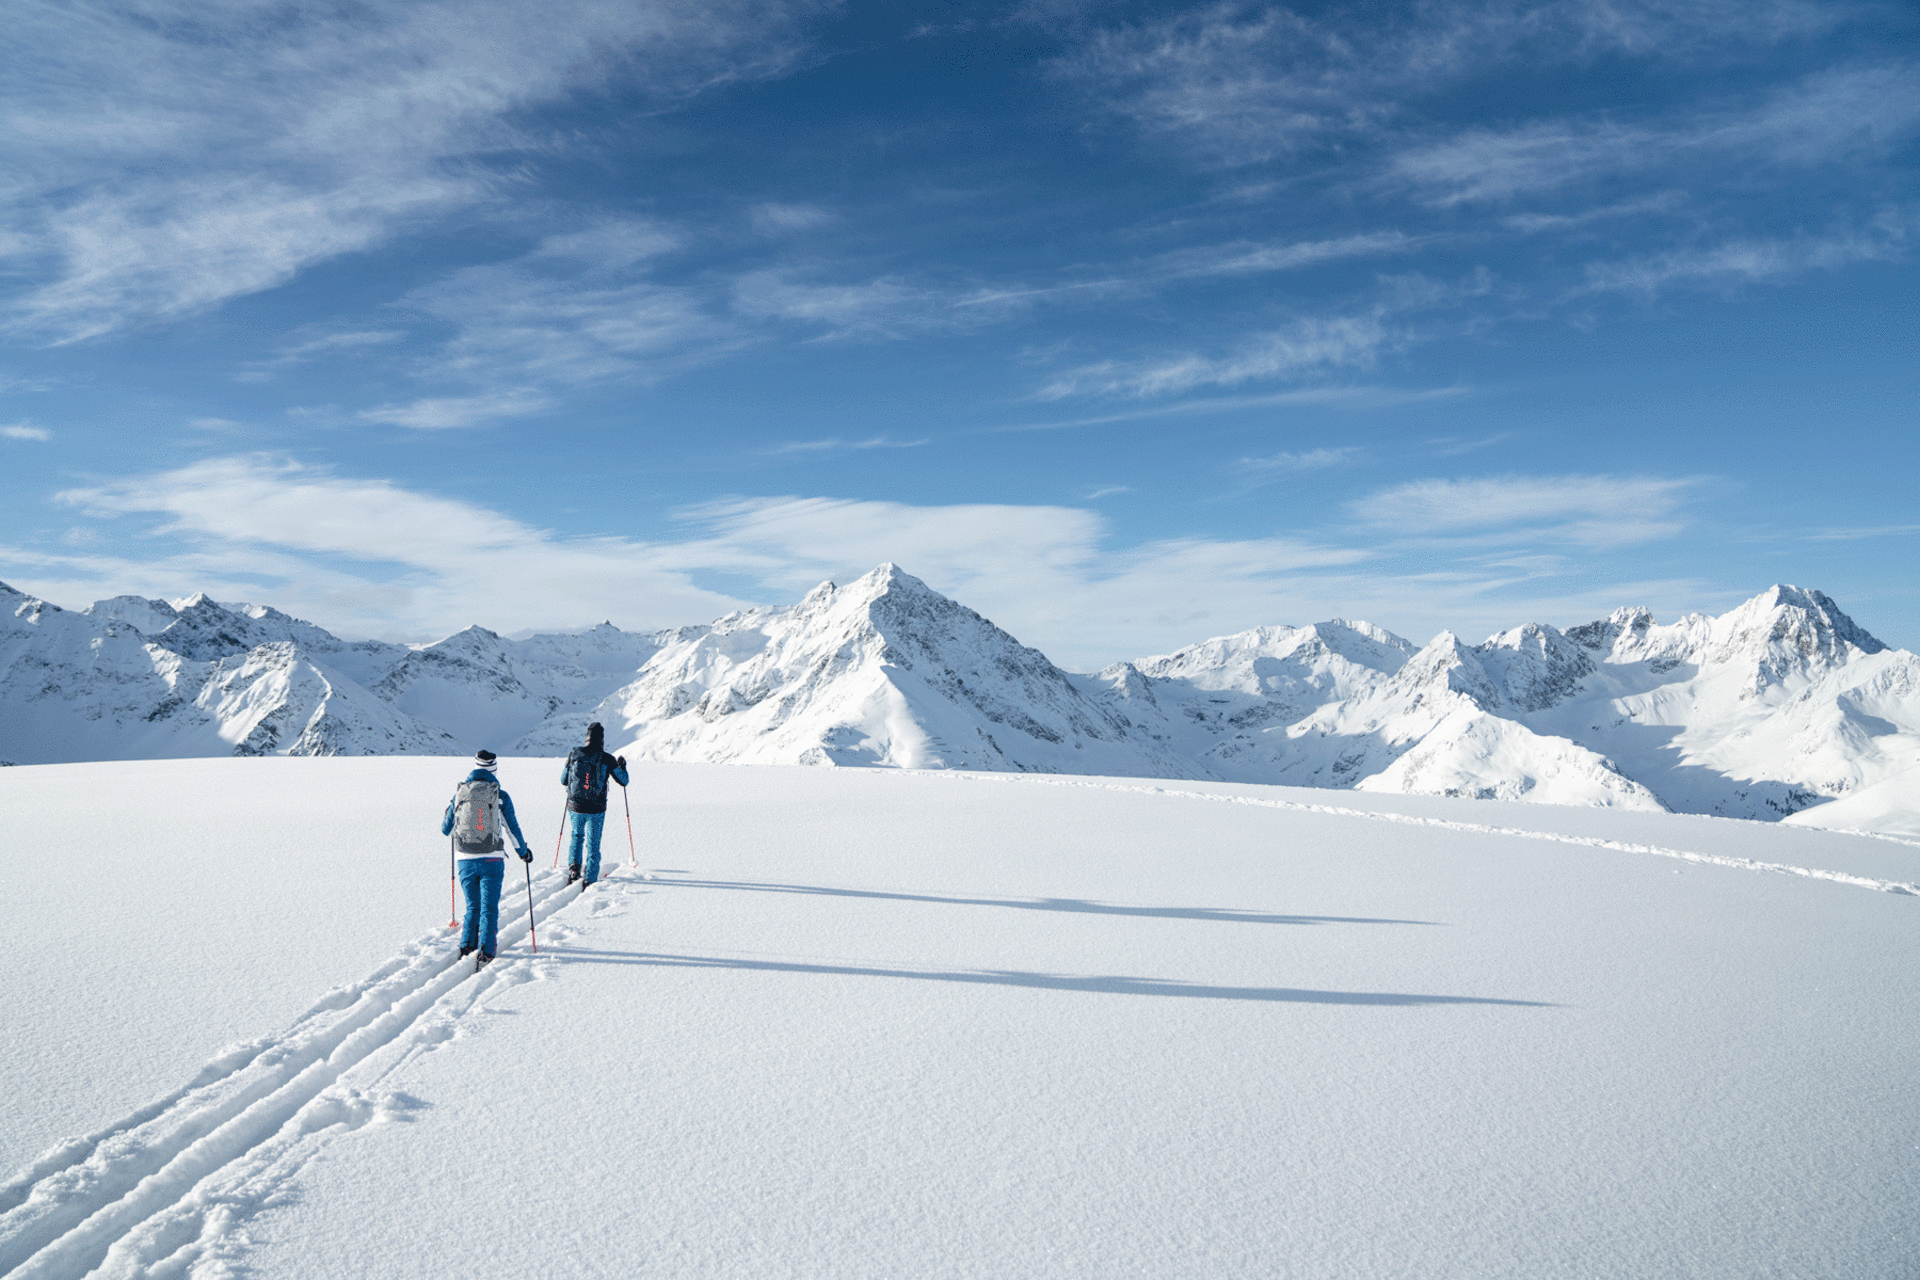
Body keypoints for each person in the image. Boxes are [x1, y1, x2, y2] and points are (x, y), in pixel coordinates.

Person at [442, 749, 532, 968]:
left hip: (464, 858)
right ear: (494, 769)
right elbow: (512, 829)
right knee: (489, 907)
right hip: (492, 858)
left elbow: (446, 829)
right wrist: (523, 853)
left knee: (472, 906)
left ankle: (466, 946)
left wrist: (450, 808)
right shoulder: (500, 795)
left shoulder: (460, 794)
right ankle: (487, 951)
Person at [561, 722, 629, 888]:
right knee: (593, 843)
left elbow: (564, 780)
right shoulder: (607, 758)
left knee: (576, 836)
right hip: (596, 808)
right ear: (602, 738)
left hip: (575, 806)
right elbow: (623, 781)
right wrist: (622, 766)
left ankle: (573, 870)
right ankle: (590, 879)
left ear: (587, 736)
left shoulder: (574, 754)